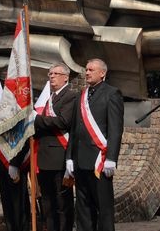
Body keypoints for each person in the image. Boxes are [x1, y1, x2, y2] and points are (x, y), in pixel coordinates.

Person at [65, 58, 124, 231]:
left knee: (104, 210)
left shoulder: (112, 93)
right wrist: (69, 156)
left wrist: (111, 158)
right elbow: (74, 129)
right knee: (83, 209)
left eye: (91, 70)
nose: (87, 73)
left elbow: (115, 129)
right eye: (86, 70)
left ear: (102, 73)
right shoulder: (81, 95)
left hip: (100, 161)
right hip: (80, 161)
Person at [33, 63, 76, 231]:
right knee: (47, 203)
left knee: (62, 204)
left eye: (56, 73)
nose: (51, 76)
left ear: (66, 77)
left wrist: (36, 119)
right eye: (50, 73)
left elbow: (63, 121)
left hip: (59, 156)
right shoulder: (49, 98)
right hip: (44, 157)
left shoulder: (70, 96)